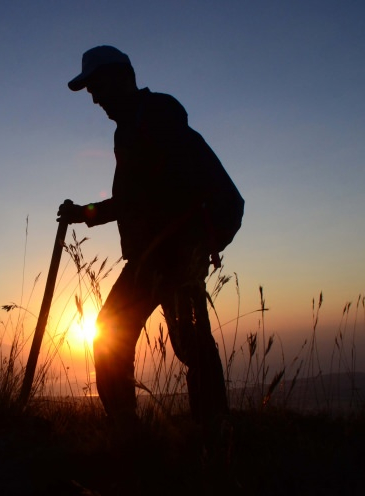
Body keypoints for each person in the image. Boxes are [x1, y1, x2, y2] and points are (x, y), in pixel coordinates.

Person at [59, 45, 240, 437]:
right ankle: (134, 426)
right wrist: (84, 214)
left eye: (97, 85)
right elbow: (133, 201)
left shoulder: (155, 118)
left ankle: (211, 429)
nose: (94, 97)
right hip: (151, 254)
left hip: (172, 251)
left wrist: (87, 214)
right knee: (122, 331)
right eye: (90, 89)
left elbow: (152, 196)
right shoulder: (131, 127)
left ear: (123, 77)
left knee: (184, 341)